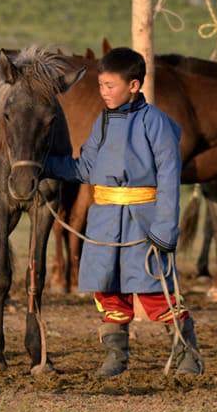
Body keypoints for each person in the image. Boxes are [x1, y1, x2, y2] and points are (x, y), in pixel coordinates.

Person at [44, 47, 203, 378]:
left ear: (133, 86)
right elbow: (86, 167)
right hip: (104, 223)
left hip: (143, 222)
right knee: (108, 290)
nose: (103, 92)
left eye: (109, 86)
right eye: (100, 85)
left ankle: (187, 353)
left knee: (154, 289)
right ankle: (116, 357)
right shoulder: (102, 122)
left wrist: (165, 229)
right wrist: (44, 166)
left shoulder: (157, 123)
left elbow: (170, 177)